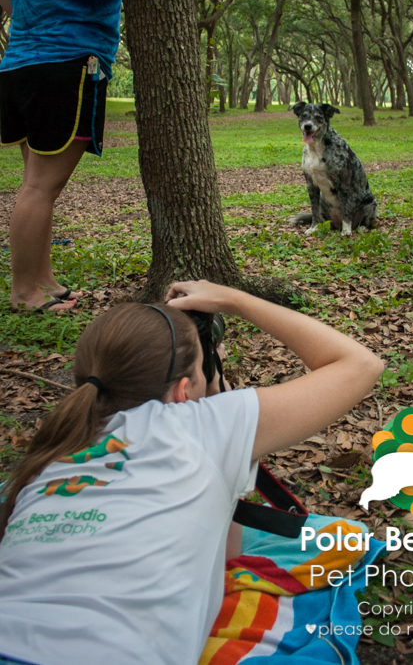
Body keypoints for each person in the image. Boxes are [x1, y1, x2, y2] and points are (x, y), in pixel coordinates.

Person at [0, 280, 383, 665]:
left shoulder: (54, 447)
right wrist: (233, 300)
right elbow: (361, 364)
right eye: (209, 359)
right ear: (184, 392)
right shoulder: (200, 426)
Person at [0, 0, 122, 313]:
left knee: (37, 184)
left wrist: (28, 18)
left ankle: (42, 279)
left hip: (24, 64)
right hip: (67, 65)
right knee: (39, 187)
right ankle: (25, 292)